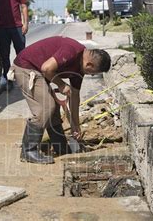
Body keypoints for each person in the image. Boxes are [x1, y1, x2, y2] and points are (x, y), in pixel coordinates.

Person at [10, 36, 111, 164]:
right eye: (92, 73)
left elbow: (75, 98)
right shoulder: (72, 51)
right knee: (46, 107)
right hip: (26, 67)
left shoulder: (80, 68)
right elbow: (46, 68)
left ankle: (60, 147)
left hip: (40, 71)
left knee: (54, 108)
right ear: (89, 64)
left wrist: (76, 126)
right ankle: (28, 151)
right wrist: (61, 84)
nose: (90, 75)